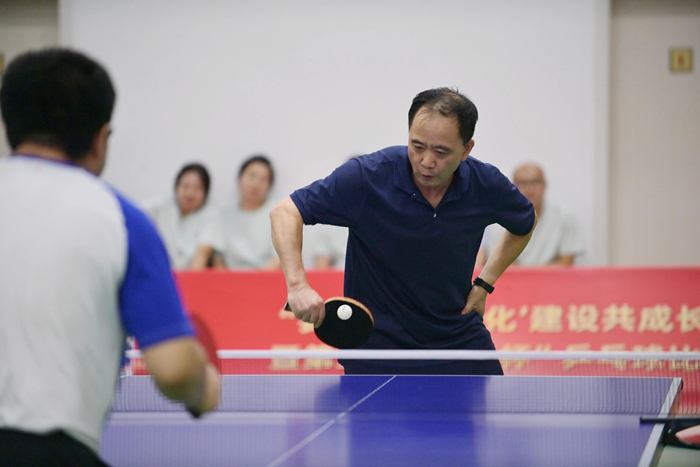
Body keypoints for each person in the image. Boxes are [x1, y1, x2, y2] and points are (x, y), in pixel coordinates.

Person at [0, 48, 220, 466]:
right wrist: (204, 388)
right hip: (49, 452)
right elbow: (175, 370)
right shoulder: (122, 219)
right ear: (101, 138)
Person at [270, 88, 537, 375]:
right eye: (417, 146)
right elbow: (285, 213)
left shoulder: (485, 184)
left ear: (466, 150)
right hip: (376, 345)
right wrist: (297, 286)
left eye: (441, 152)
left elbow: (524, 221)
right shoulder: (367, 177)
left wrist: (485, 283)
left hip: (457, 338)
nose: (426, 161)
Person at [477, 163, 584, 267]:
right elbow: (503, 265)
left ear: (544, 185)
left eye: (535, 182)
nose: (529, 189)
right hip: (515, 279)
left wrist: (534, 276)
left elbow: (566, 263)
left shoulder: (565, 218)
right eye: (523, 183)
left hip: (554, 279)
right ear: (512, 187)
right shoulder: (498, 223)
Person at [144, 163, 225, 270]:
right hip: (158, 272)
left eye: (197, 188)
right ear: (176, 187)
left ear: (206, 192)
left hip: (189, 274)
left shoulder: (210, 214)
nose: (190, 193)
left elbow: (203, 253)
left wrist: (191, 278)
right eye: (185, 186)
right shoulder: (159, 206)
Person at [215, 155, 281, 269]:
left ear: (269, 185)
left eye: (263, 179)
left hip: (267, 276)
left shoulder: (277, 214)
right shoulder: (224, 216)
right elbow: (218, 258)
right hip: (231, 277)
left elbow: (280, 257)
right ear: (240, 178)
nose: (256, 184)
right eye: (252, 176)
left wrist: (257, 278)